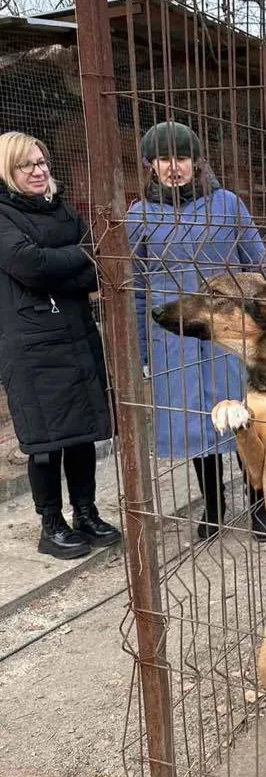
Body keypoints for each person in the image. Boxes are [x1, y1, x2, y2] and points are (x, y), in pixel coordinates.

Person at [127, 121, 266, 540]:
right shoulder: (138, 216)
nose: (174, 167)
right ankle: (213, 505)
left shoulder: (226, 204)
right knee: (197, 425)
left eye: (182, 157)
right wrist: (143, 350)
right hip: (173, 337)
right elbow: (137, 287)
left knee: (244, 417)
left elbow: (259, 266)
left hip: (229, 333)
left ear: (196, 161)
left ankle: (259, 502)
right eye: (163, 159)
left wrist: (264, 328)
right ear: (150, 166)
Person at [0, 132, 121, 559]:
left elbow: (97, 265)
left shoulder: (62, 209)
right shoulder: (2, 214)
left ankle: (85, 511)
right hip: (32, 347)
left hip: (75, 334)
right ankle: (51, 525)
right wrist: (79, 255)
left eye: (42, 162)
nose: (39, 170)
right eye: (27, 165)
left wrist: (68, 262)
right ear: (8, 172)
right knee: (46, 442)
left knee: (81, 434)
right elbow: (28, 265)